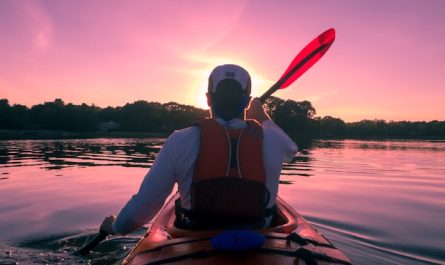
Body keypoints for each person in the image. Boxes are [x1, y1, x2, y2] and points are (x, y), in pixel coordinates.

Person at [100, 64, 298, 234]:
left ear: (208, 98)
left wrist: (115, 227)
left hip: (195, 238)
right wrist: (262, 116)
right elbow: (291, 149)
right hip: (259, 240)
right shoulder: (274, 140)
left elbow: (143, 208)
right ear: (247, 102)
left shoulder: (179, 140)